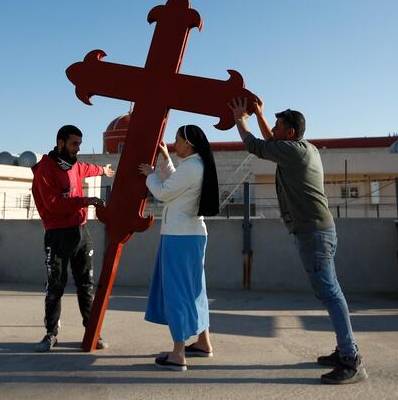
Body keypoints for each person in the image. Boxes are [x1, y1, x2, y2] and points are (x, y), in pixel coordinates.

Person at [229, 97, 368, 385]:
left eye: (279, 125)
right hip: (317, 232)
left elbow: (257, 146)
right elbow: (269, 141)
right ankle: (344, 348)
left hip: (314, 234)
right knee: (331, 293)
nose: (275, 129)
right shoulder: (302, 149)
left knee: (331, 294)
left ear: (290, 133)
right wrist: (259, 115)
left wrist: (239, 119)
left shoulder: (293, 152)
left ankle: (351, 360)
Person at [138, 125, 219, 371]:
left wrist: (150, 175)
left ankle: (178, 353)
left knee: (178, 292)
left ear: (189, 144)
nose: (174, 144)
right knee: (195, 289)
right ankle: (204, 342)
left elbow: (164, 192)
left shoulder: (192, 168)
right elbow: (177, 185)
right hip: (191, 235)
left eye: (177, 140)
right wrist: (165, 159)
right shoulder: (196, 166)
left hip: (178, 236)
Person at [31, 124, 115, 352]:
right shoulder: (45, 170)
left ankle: (92, 332)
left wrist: (103, 171)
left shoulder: (75, 165)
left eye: (79, 143)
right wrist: (85, 201)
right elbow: (54, 205)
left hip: (81, 233)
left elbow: (88, 168)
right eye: (73, 143)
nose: (77, 148)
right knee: (55, 286)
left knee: (86, 284)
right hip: (57, 235)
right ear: (60, 143)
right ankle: (50, 334)